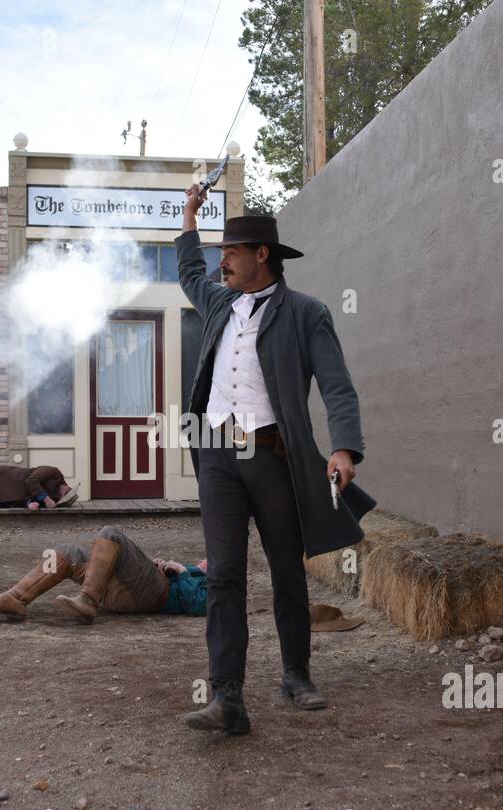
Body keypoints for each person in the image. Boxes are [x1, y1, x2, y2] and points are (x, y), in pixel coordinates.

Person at [174, 184, 377, 736]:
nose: (223, 262)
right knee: (223, 577)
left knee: (288, 570)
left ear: (262, 254)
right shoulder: (219, 301)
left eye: (231, 253)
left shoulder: (307, 314)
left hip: (271, 457)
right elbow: (190, 269)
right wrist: (189, 215)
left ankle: (296, 674)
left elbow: (337, 386)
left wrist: (342, 447)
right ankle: (228, 697)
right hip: (217, 455)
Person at [0, 525, 207, 620]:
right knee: (67, 552)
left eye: (207, 560)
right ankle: (15, 598)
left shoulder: (221, 581)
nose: (202, 560)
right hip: (130, 590)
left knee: (112, 533)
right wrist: (162, 566)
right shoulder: (202, 571)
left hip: (156, 596)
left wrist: (183, 573)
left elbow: (198, 605)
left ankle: (87, 600)